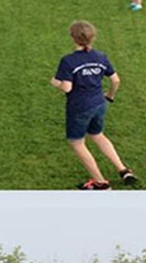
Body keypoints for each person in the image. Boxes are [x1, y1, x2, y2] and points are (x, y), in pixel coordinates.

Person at [51, 21, 137, 191]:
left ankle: (100, 183)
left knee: (77, 143)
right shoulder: (101, 57)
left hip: (79, 107)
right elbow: (115, 80)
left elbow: (67, 87)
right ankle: (123, 170)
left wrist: (55, 82)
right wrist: (110, 96)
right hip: (99, 103)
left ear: (73, 38)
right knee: (97, 135)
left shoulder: (69, 61)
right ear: (92, 38)